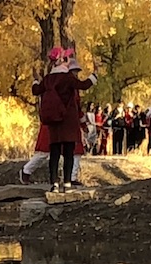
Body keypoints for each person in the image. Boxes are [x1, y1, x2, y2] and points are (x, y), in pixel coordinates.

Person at [32, 47, 94, 191]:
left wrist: (35, 80)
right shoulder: (68, 78)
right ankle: (67, 183)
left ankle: (53, 183)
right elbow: (84, 85)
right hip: (68, 121)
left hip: (54, 121)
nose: (68, 61)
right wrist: (95, 74)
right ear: (62, 60)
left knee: (54, 152)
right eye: (67, 59)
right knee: (68, 153)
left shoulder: (48, 79)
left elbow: (35, 90)